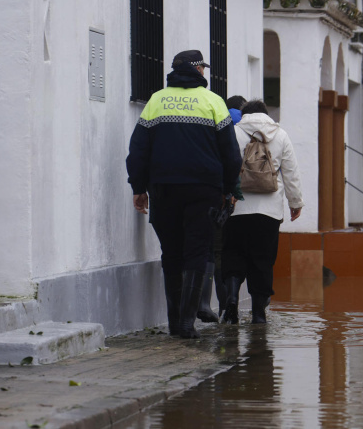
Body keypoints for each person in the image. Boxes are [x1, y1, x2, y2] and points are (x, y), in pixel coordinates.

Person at [126, 49, 242, 339]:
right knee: (197, 251)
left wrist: (139, 188)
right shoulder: (214, 102)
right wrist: (230, 190)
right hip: (204, 190)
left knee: (171, 252)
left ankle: (175, 322)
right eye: (203, 67)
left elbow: (138, 150)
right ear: (198, 70)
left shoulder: (156, 101)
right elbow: (231, 155)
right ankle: (187, 324)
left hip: (163, 188)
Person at [222, 100, 303, 324]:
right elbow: (291, 173)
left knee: (233, 254)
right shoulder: (281, 135)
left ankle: (231, 300)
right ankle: (258, 313)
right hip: (269, 212)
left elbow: (223, 165)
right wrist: (295, 203)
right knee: (263, 260)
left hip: (237, 209)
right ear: (266, 115)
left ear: (244, 114)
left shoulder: (233, 132)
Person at [208, 95, 248, 319]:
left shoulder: (217, 123)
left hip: (218, 199)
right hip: (246, 205)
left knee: (217, 254)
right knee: (240, 253)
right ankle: (240, 299)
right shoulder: (250, 129)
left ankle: (224, 305)